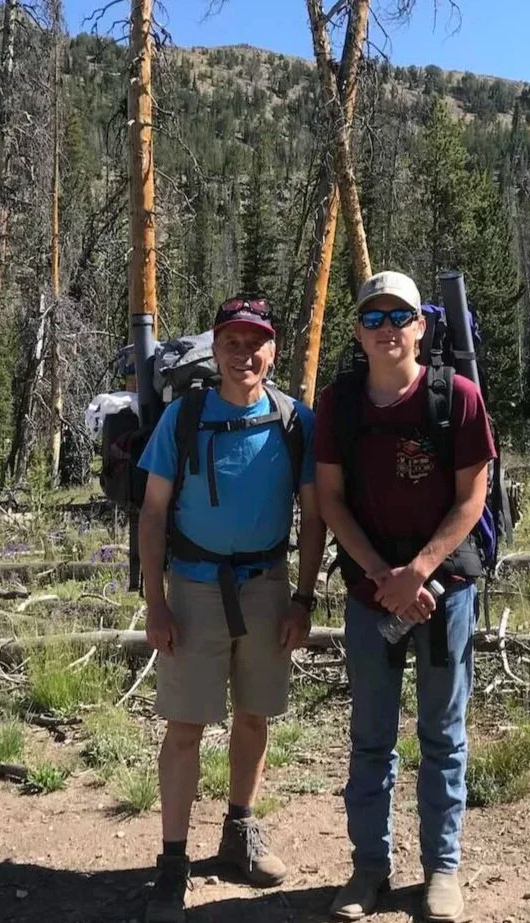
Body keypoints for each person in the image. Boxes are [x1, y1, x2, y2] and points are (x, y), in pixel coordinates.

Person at [315, 271, 496, 923]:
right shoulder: (339, 405)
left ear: (421, 326)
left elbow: (472, 497)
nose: (386, 329)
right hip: (371, 595)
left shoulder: (458, 398)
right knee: (371, 737)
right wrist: (383, 577)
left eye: (399, 317)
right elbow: (330, 500)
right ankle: (370, 868)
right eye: (373, 318)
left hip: (443, 593)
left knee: (442, 735)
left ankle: (441, 869)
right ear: (358, 332)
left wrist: (417, 571)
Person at [138, 294, 325, 923]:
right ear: (215, 349)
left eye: (255, 343)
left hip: (268, 587)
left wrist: (303, 598)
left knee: (254, 716)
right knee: (185, 728)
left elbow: (314, 516)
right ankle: (173, 863)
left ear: (273, 351)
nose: (244, 354)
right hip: (194, 590)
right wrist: (155, 603)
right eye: (232, 343)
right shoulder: (184, 417)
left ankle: (239, 831)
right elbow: (153, 514)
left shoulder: (294, 420)